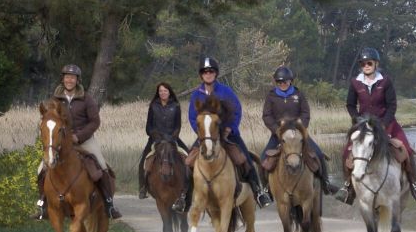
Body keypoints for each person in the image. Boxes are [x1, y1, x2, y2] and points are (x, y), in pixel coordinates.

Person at [174, 56, 272, 212]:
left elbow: (237, 111)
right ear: (201, 75)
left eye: (211, 71)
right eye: (205, 72)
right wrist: (202, 133)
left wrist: (230, 128)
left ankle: (259, 192)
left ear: (216, 73)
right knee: (188, 162)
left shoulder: (226, 91)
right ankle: (184, 197)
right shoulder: (196, 95)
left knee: (245, 158)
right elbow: (193, 117)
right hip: (206, 137)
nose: (208, 74)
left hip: (228, 134)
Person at [336, 47, 416, 204]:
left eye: (369, 63)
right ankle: (347, 188)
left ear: (376, 64)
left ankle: (414, 184)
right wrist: (357, 120)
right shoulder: (355, 82)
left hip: (387, 123)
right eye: (363, 63)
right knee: (347, 153)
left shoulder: (385, 81)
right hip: (364, 125)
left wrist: (385, 124)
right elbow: (350, 105)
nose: (366, 65)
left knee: (405, 149)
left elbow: (392, 105)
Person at [33, 64, 122, 220]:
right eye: (67, 77)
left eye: (72, 78)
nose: (69, 80)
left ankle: (109, 204)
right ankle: (43, 204)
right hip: (61, 141)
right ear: (63, 79)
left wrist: (78, 136)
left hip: (84, 139)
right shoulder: (55, 100)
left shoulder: (87, 99)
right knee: (42, 169)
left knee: (101, 166)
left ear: (77, 80)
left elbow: (95, 122)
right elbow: (50, 119)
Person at [261, 66, 338, 195]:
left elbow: (305, 113)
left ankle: (326, 183)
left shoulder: (298, 94)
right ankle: (264, 190)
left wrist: (301, 127)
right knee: (263, 158)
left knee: (318, 154)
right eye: (279, 82)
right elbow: (266, 115)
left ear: (290, 81)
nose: (282, 84)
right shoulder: (271, 96)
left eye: (285, 82)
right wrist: (276, 130)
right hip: (279, 135)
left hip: (298, 134)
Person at [138, 82, 189, 200]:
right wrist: (156, 136)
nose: (163, 93)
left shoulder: (176, 105)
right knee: (143, 161)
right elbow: (148, 127)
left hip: (172, 138)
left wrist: (172, 137)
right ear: (158, 92)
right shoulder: (153, 106)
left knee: (188, 157)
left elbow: (178, 126)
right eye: (161, 91)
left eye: (165, 91)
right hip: (155, 139)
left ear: (169, 92)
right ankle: (143, 187)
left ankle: (188, 188)